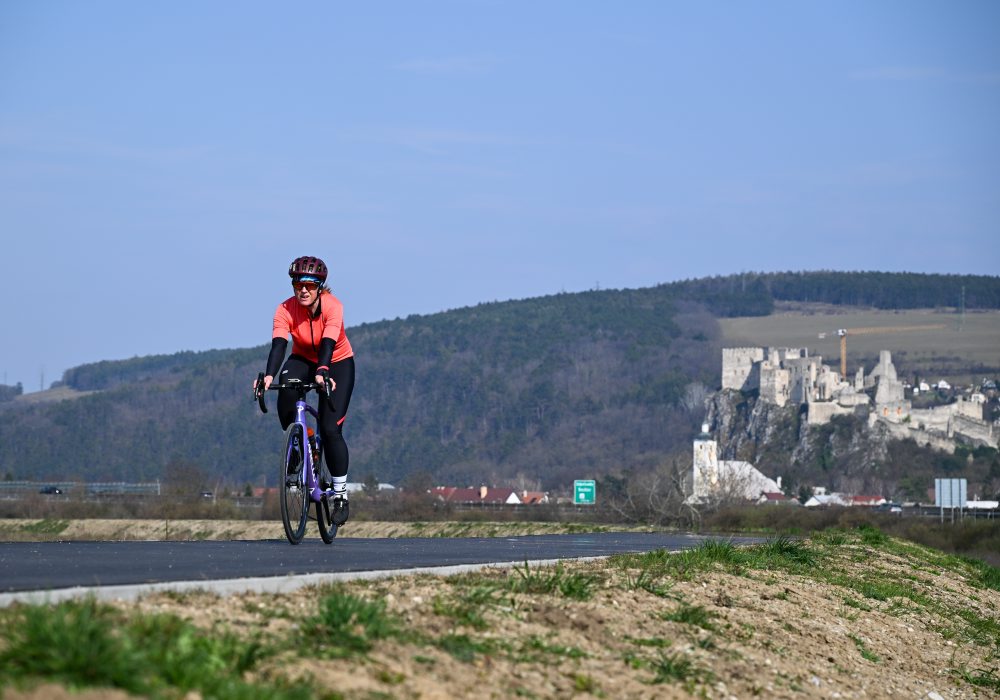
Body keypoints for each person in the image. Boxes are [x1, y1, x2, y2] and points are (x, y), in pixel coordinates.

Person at [255, 255, 356, 526]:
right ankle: (301, 441)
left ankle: (340, 495)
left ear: (320, 288)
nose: (303, 290)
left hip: (336, 361)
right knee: (286, 393)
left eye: (310, 286)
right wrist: (267, 377)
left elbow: (328, 342)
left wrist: (323, 371)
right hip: (302, 359)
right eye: (298, 284)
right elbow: (279, 345)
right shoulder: (285, 309)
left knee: (331, 429)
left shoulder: (333, 307)